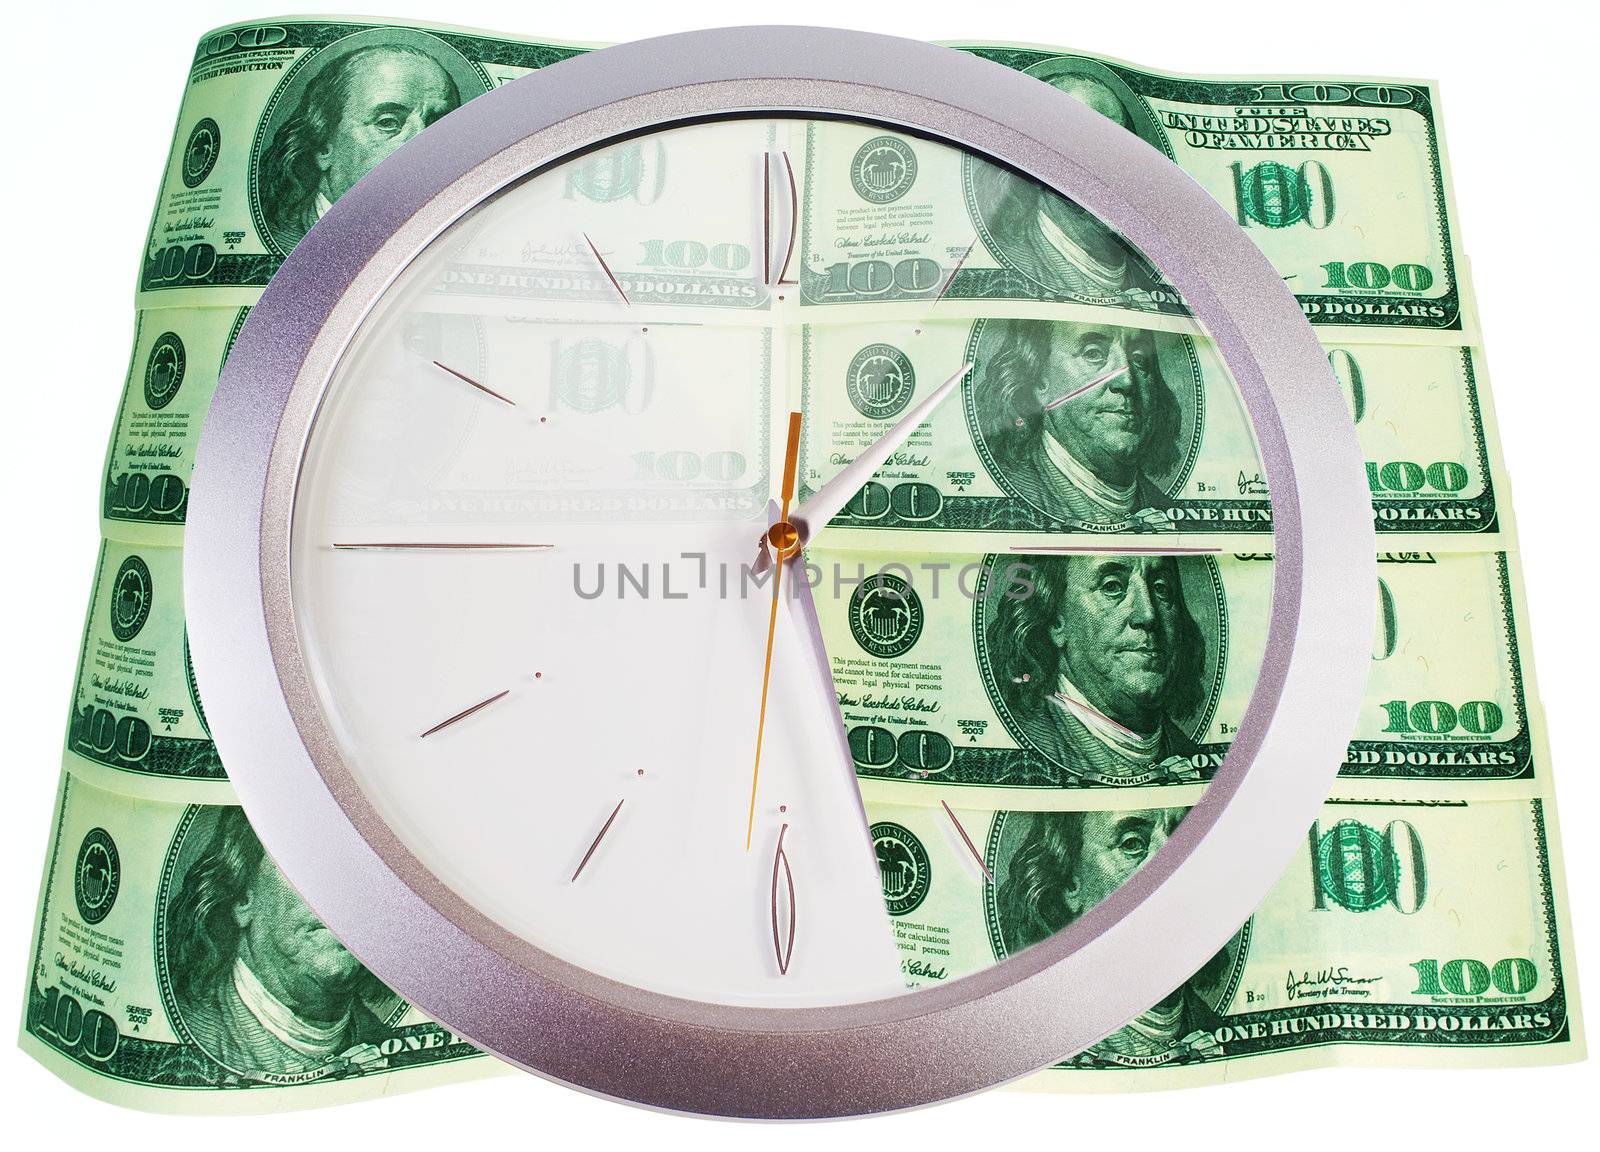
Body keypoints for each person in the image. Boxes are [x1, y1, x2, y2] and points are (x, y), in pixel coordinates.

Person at [167, 809, 390, 1078]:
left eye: (360, 867)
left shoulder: (387, 1040)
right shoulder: (197, 1033)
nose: (342, 892)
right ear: (242, 898)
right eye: (308, 863)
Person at [996, 808, 1226, 1061]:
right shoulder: (1027, 1030)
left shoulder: (1215, 1030)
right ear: (1069, 883)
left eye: (1185, 838)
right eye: (1132, 844)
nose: (1172, 865)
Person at [986, 553, 1205, 780]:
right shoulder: (1026, 747)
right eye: (1112, 586)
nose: (1148, 614)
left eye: (1161, 588)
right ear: (1055, 622)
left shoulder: (1192, 755)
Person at [259, 43, 463, 250]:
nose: (422, 143)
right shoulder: (284, 242)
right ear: (322, 146)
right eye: (387, 122)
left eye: (440, 126)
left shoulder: (459, 241)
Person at [981, 319, 1182, 524]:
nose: (1127, 380)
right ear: (1040, 381)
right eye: (1093, 354)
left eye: (1139, 358)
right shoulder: (1008, 507)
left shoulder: (1175, 515)